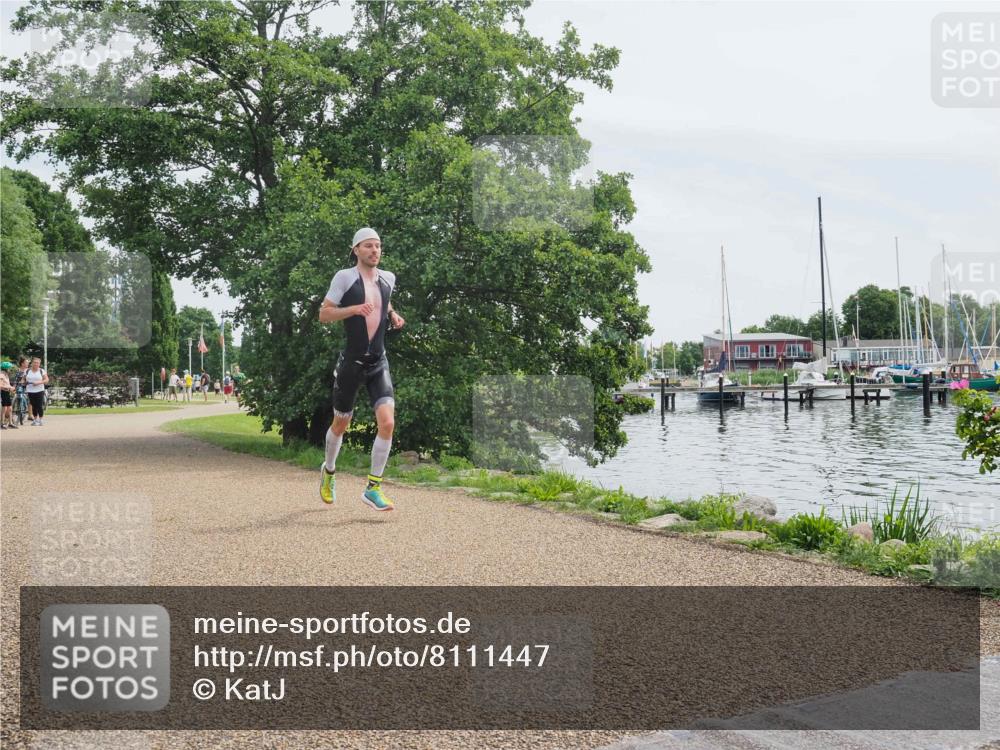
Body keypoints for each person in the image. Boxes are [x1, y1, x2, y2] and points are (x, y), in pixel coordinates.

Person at [317, 227, 405, 511]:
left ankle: (373, 488)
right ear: (356, 249)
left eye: (378, 246)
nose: (375, 251)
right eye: (368, 246)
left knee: (388, 422)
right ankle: (329, 471)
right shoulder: (344, 277)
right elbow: (324, 314)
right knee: (341, 423)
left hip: (378, 362)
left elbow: (383, 298)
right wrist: (353, 309)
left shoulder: (388, 278)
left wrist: (392, 313)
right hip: (351, 365)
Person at [25, 357, 49, 426]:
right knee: (33, 406)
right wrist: (24, 382)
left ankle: (41, 420)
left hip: (39, 390)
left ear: (39, 364)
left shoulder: (42, 371)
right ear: (32, 363)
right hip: (30, 390)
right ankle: (35, 420)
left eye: (37, 363)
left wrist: (39, 382)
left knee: (39, 406)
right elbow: (23, 379)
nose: (36, 364)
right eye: (34, 362)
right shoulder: (27, 371)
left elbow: (46, 380)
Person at [0, 362, 14, 429]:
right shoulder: (1, 375)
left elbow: (7, 384)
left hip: (7, 392)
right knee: (4, 408)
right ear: (6, 368)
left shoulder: (6, 374)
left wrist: (11, 387)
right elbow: (0, 385)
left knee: (10, 408)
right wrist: (9, 388)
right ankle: (2, 423)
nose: (10, 369)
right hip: (3, 392)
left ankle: (10, 423)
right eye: (9, 368)